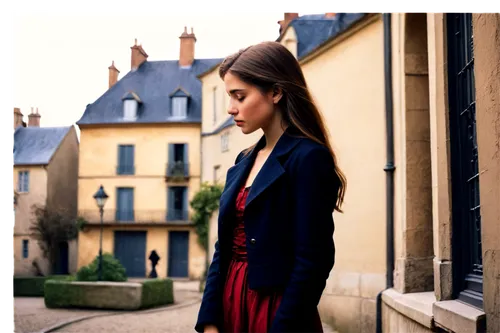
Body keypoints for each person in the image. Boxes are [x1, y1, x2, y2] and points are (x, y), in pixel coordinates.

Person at [195, 41, 347, 333]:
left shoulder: (309, 158)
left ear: (276, 92)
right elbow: (222, 250)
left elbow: (313, 261)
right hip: (230, 303)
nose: (231, 108)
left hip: (278, 312)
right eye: (230, 97)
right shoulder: (242, 161)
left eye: (240, 96)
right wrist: (210, 320)